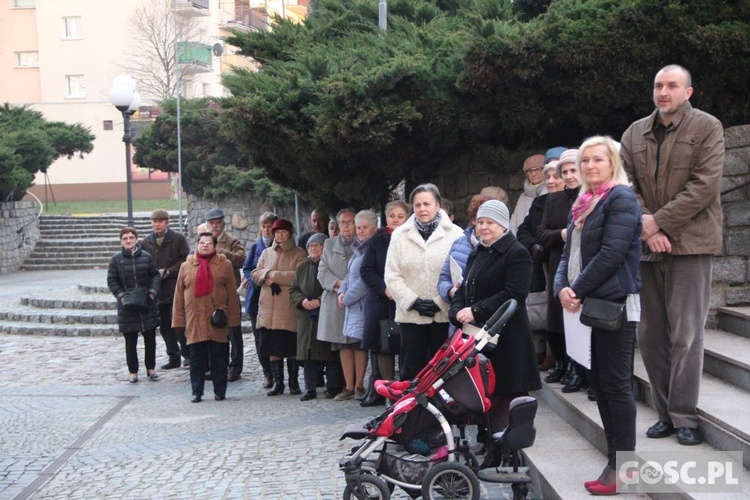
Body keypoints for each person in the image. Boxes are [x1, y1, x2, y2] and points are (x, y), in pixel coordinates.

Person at [621, 64, 724, 447]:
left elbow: (705, 186)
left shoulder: (707, 128)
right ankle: (663, 412)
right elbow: (623, 184)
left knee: (685, 334)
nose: (663, 92)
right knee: (650, 335)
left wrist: (658, 224)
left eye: (672, 86)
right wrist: (648, 226)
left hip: (691, 244)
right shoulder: (634, 132)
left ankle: (684, 415)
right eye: (658, 86)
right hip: (648, 246)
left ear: (688, 92)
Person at [554, 136, 642, 494]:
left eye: (598, 160)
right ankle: (613, 461)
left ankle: (624, 466)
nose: (590, 166)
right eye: (585, 160)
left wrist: (577, 289)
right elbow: (567, 255)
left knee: (616, 385)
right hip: (591, 302)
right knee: (601, 385)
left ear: (613, 163)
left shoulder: (621, 198)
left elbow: (611, 253)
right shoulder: (585, 202)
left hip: (615, 304)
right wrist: (562, 286)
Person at [449, 200, 541, 433]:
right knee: (483, 393)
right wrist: (456, 311)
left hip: (508, 340)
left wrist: (475, 311)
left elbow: (514, 294)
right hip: (480, 336)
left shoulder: (516, 252)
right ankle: (486, 442)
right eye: (480, 222)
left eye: (490, 222)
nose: (484, 227)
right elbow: (464, 287)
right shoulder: (478, 251)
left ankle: (503, 450)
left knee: (504, 398)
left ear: (503, 225)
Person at [385, 183, 463, 381]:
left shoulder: (455, 234)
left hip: (444, 314)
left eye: (427, 203)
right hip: (411, 316)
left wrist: (440, 301)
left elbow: (460, 275)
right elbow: (392, 275)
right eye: (417, 205)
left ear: (438, 205)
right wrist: (413, 302)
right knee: (411, 372)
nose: (422, 209)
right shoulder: (399, 235)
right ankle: (412, 411)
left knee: (443, 371)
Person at [536, 149, 587, 393]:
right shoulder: (553, 200)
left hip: (583, 263)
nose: (567, 176)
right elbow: (542, 233)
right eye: (563, 171)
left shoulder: (589, 196)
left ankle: (581, 370)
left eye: (572, 170)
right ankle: (565, 363)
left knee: (580, 318)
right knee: (557, 318)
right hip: (559, 262)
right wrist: (562, 235)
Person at [172, 232, 241, 403]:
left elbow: (232, 295)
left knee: (219, 357)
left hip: (217, 318)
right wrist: (178, 320)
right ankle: (197, 391)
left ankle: (220, 390)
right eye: (202, 243)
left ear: (215, 246)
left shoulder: (224, 264)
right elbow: (178, 296)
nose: (205, 246)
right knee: (196, 358)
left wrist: (233, 320)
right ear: (197, 244)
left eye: (209, 243)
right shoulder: (186, 266)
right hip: (194, 318)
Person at [360, 200, 410, 406]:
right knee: (384, 347)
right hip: (382, 302)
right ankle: (389, 393)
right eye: (392, 216)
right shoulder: (377, 240)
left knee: (407, 346)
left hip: (407, 300)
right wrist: (384, 288)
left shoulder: (412, 237)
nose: (396, 220)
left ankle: (407, 391)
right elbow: (366, 270)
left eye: (400, 216)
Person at [516, 161, 565, 371]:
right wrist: (534, 245)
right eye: (549, 177)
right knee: (548, 313)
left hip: (562, 260)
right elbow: (524, 230)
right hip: (542, 261)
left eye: (557, 176)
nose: (551, 181)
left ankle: (568, 363)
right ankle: (558, 361)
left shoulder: (574, 201)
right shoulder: (540, 202)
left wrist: (547, 239)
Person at [251, 219, 307, 396]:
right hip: (268, 308)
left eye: (283, 232)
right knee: (272, 348)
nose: (279, 235)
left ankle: (293, 381)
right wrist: (266, 275)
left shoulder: (299, 253)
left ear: (289, 233)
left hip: (287, 307)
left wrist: (275, 276)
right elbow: (255, 273)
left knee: (289, 346)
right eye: (276, 232)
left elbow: (298, 275)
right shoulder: (267, 253)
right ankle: (278, 382)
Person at [107, 227, 161, 383]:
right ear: (121, 241)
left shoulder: (146, 257)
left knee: (150, 339)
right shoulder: (116, 260)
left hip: (146, 303)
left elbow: (155, 276)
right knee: (130, 341)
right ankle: (133, 371)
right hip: (127, 306)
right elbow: (112, 280)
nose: (128, 240)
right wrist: (122, 297)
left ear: (136, 239)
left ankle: (151, 368)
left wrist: (152, 293)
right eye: (125, 238)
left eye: (131, 237)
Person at [289, 233, 338, 401]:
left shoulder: (330, 265)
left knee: (328, 353)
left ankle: (333, 387)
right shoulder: (303, 267)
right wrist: (302, 301)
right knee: (308, 354)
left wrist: (320, 301)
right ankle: (310, 388)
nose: (314, 248)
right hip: (306, 317)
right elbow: (294, 289)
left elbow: (333, 286)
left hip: (326, 314)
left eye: (318, 245)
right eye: (311, 246)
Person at [140, 209, 190, 370]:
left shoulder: (177, 239)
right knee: (165, 327)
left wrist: (169, 271)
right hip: (157, 290)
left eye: (160, 221)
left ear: (167, 222)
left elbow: (185, 259)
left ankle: (187, 355)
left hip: (174, 288)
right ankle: (173, 356)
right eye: (154, 222)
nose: (157, 224)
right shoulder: (146, 242)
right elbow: (143, 262)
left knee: (179, 324)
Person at [338, 210, 379, 401]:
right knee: (354, 344)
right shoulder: (358, 249)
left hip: (363, 305)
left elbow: (364, 281)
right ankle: (354, 386)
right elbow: (349, 276)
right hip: (353, 306)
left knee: (365, 346)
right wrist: (341, 292)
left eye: (365, 228)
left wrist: (346, 298)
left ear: (374, 229)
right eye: (359, 227)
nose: (361, 231)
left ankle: (362, 386)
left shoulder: (370, 249)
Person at [317, 208, 357, 399]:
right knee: (342, 344)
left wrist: (352, 288)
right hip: (336, 300)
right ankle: (348, 387)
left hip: (358, 299)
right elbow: (322, 273)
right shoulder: (329, 243)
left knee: (359, 344)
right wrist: (342, 286)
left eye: (350, 222)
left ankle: (359, 387)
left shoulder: (361, 243)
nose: (346, 226)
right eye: (343, 222)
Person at [205, 208, 247, 382]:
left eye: (218, 223)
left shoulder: (232, 241)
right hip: (210, 292)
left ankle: (235, 367)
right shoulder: (204, 241)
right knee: (214, 332)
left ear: (223, 223)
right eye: (211, 223)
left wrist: (222, 251)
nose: (215, 226)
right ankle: (216, 366)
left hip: (230, 293)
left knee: (233, 330)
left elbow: (241, 259)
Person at [240, 211, 278, 389]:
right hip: (257, 298)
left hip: (276, 297)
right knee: (260, 339)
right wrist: (255, 279)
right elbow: (247, 268)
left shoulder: (280, 246)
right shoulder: (256, 247)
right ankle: (267, 373)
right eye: (264, 226)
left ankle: (279, 373)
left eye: (270, 226)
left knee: (276, 337)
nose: (266, 230)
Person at [509, 154, 546, 234]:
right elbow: (513, 222)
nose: (533, 174)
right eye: (530, 171)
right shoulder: (522, 196)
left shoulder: (550, 193)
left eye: (537, 170)